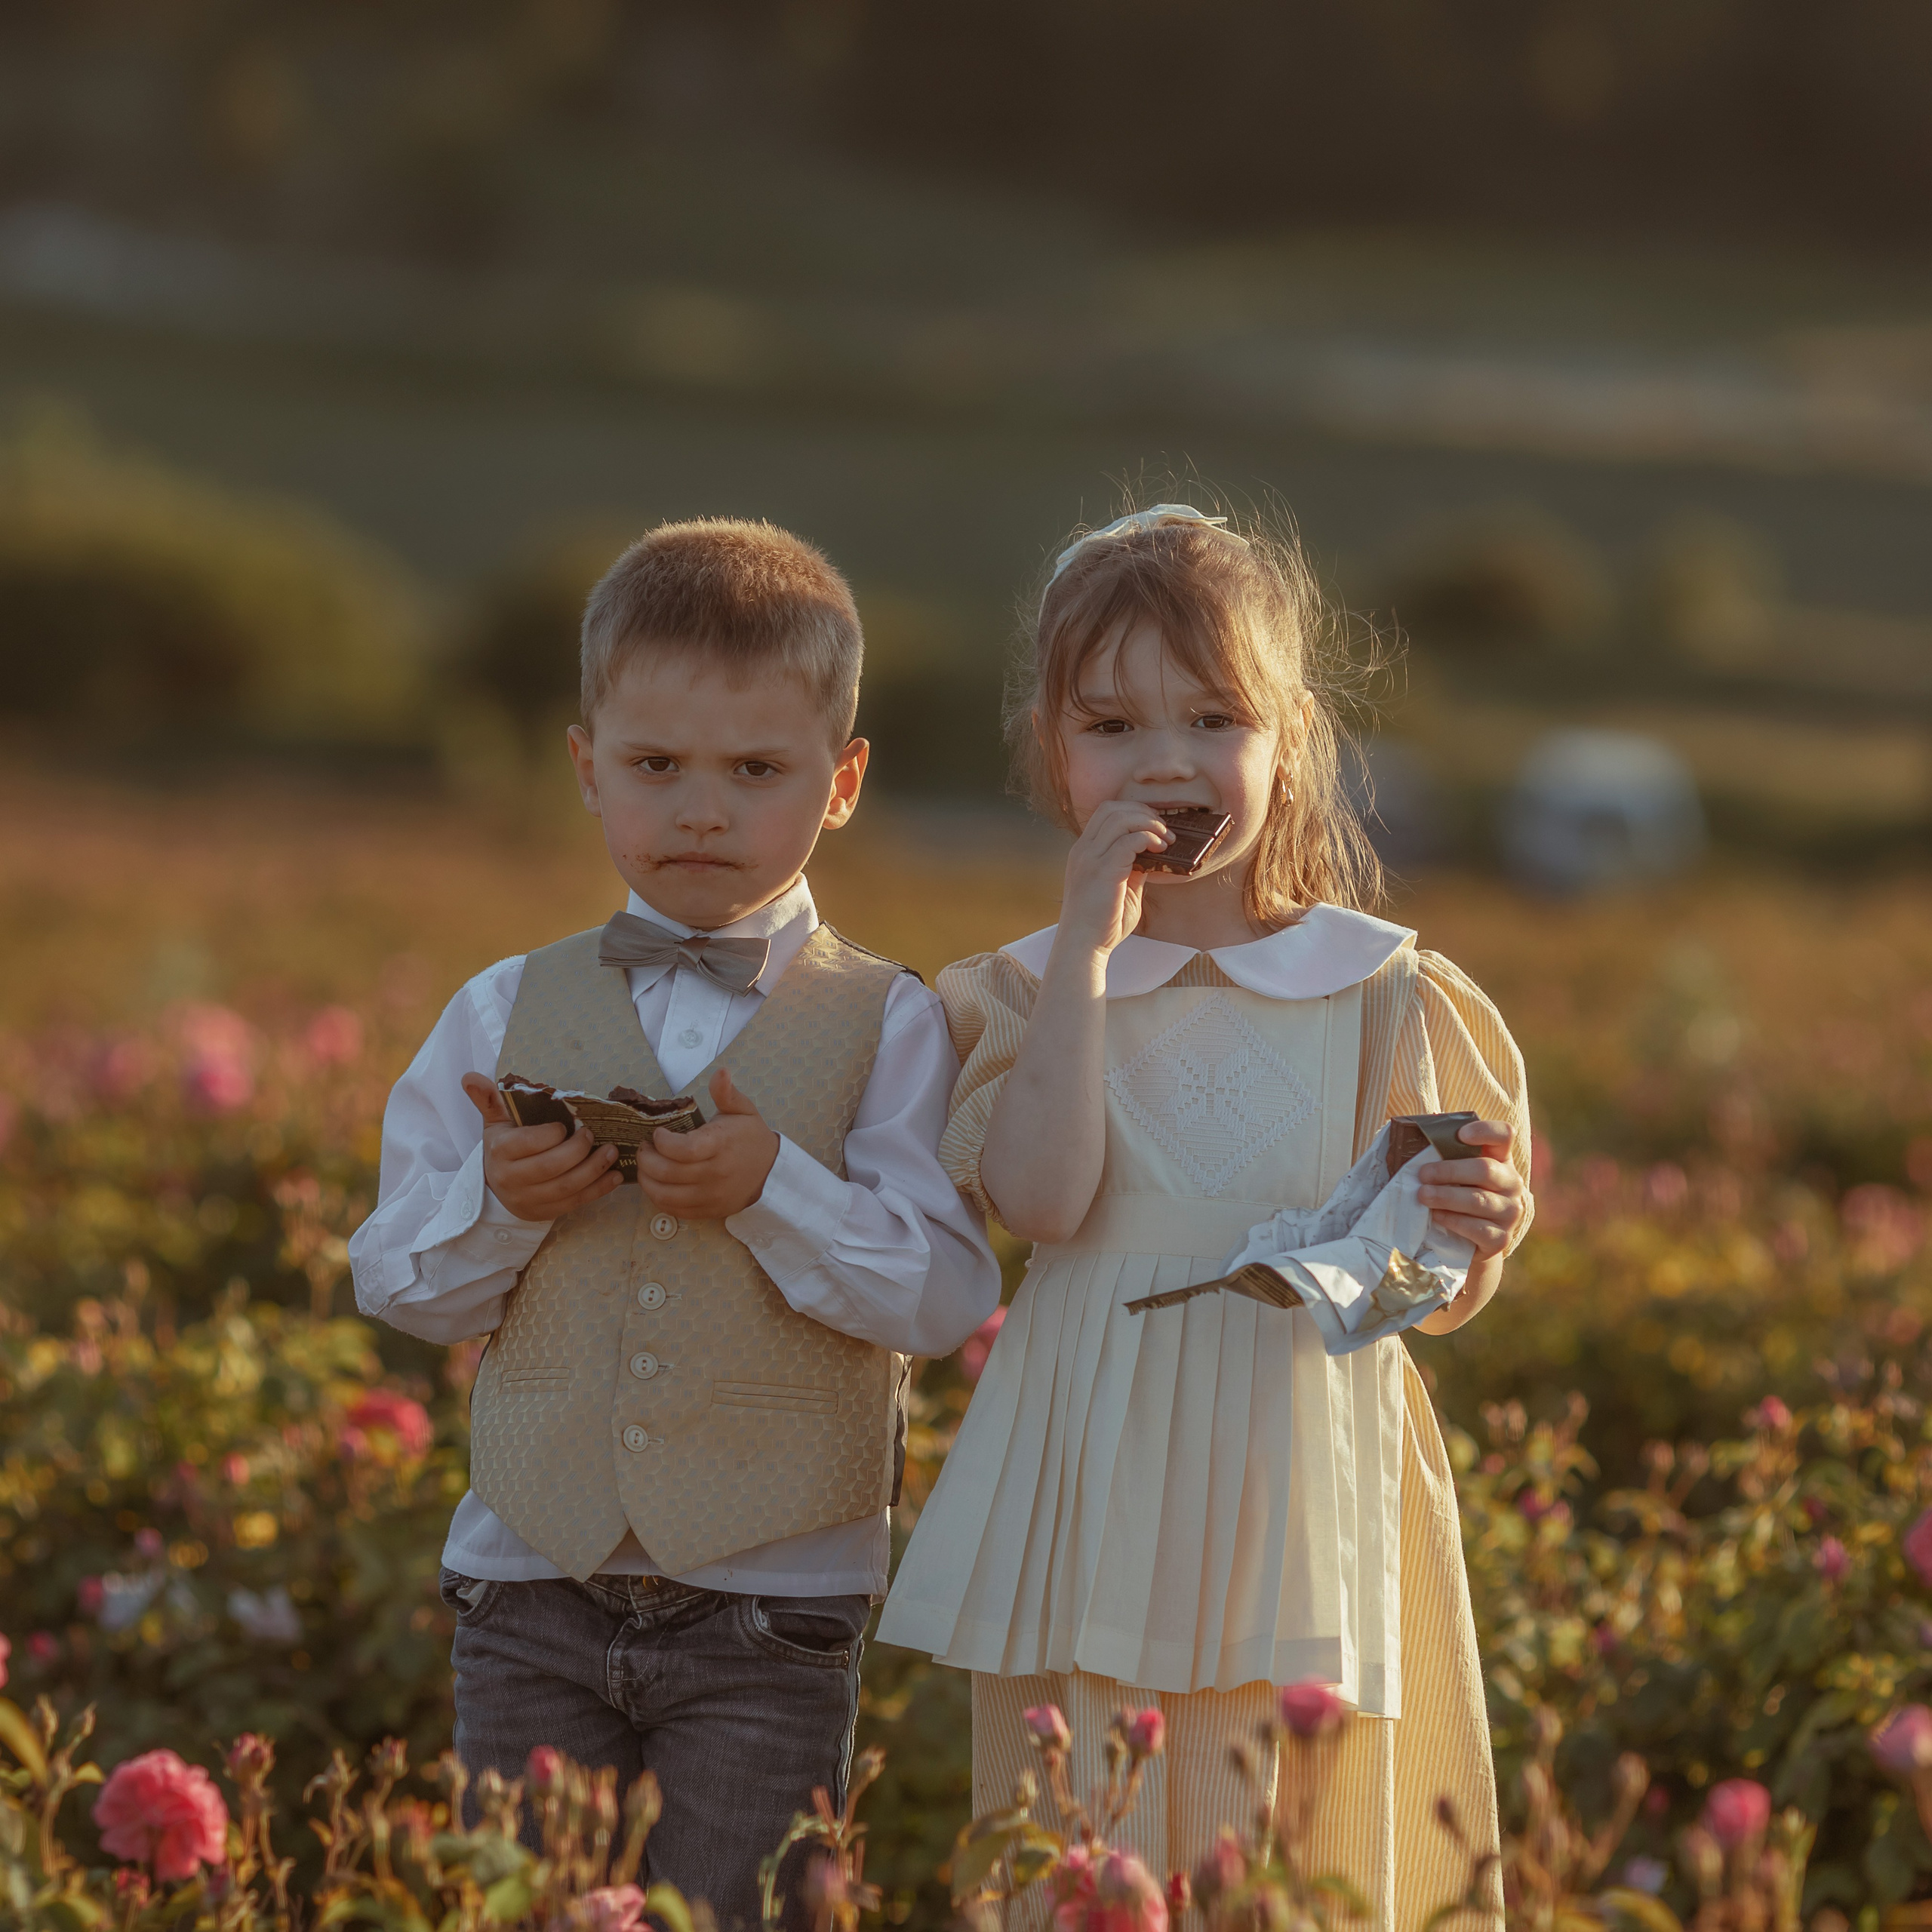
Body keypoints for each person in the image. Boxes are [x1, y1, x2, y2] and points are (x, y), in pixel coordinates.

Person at [875, 504, 1532, 1927]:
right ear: (1051, 747)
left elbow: (1419, 1269)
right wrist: (1085, 956)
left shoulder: (1383, 993)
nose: (1164, 760)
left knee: (1286, 1860)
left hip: (1295, 1474)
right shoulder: (1020, 992)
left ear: (1288, 739)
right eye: (1111, 724)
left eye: (1215, 715)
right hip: (1094, 1463)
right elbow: (1043, 1201)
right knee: (1086, 1843)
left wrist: (1473, 1224)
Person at [348, 518, 1001, 1930]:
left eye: (757, 772)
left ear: (842, 783)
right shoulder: (497, 1005)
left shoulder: (888, 1022)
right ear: (587, 769)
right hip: (527, 1585)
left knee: (739, 1916)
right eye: (656, 768)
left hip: (774, 1611)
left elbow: (946, 1298)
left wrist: (777, 1189)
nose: (701, 810)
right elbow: (397, 1280)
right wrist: (500, 1207)